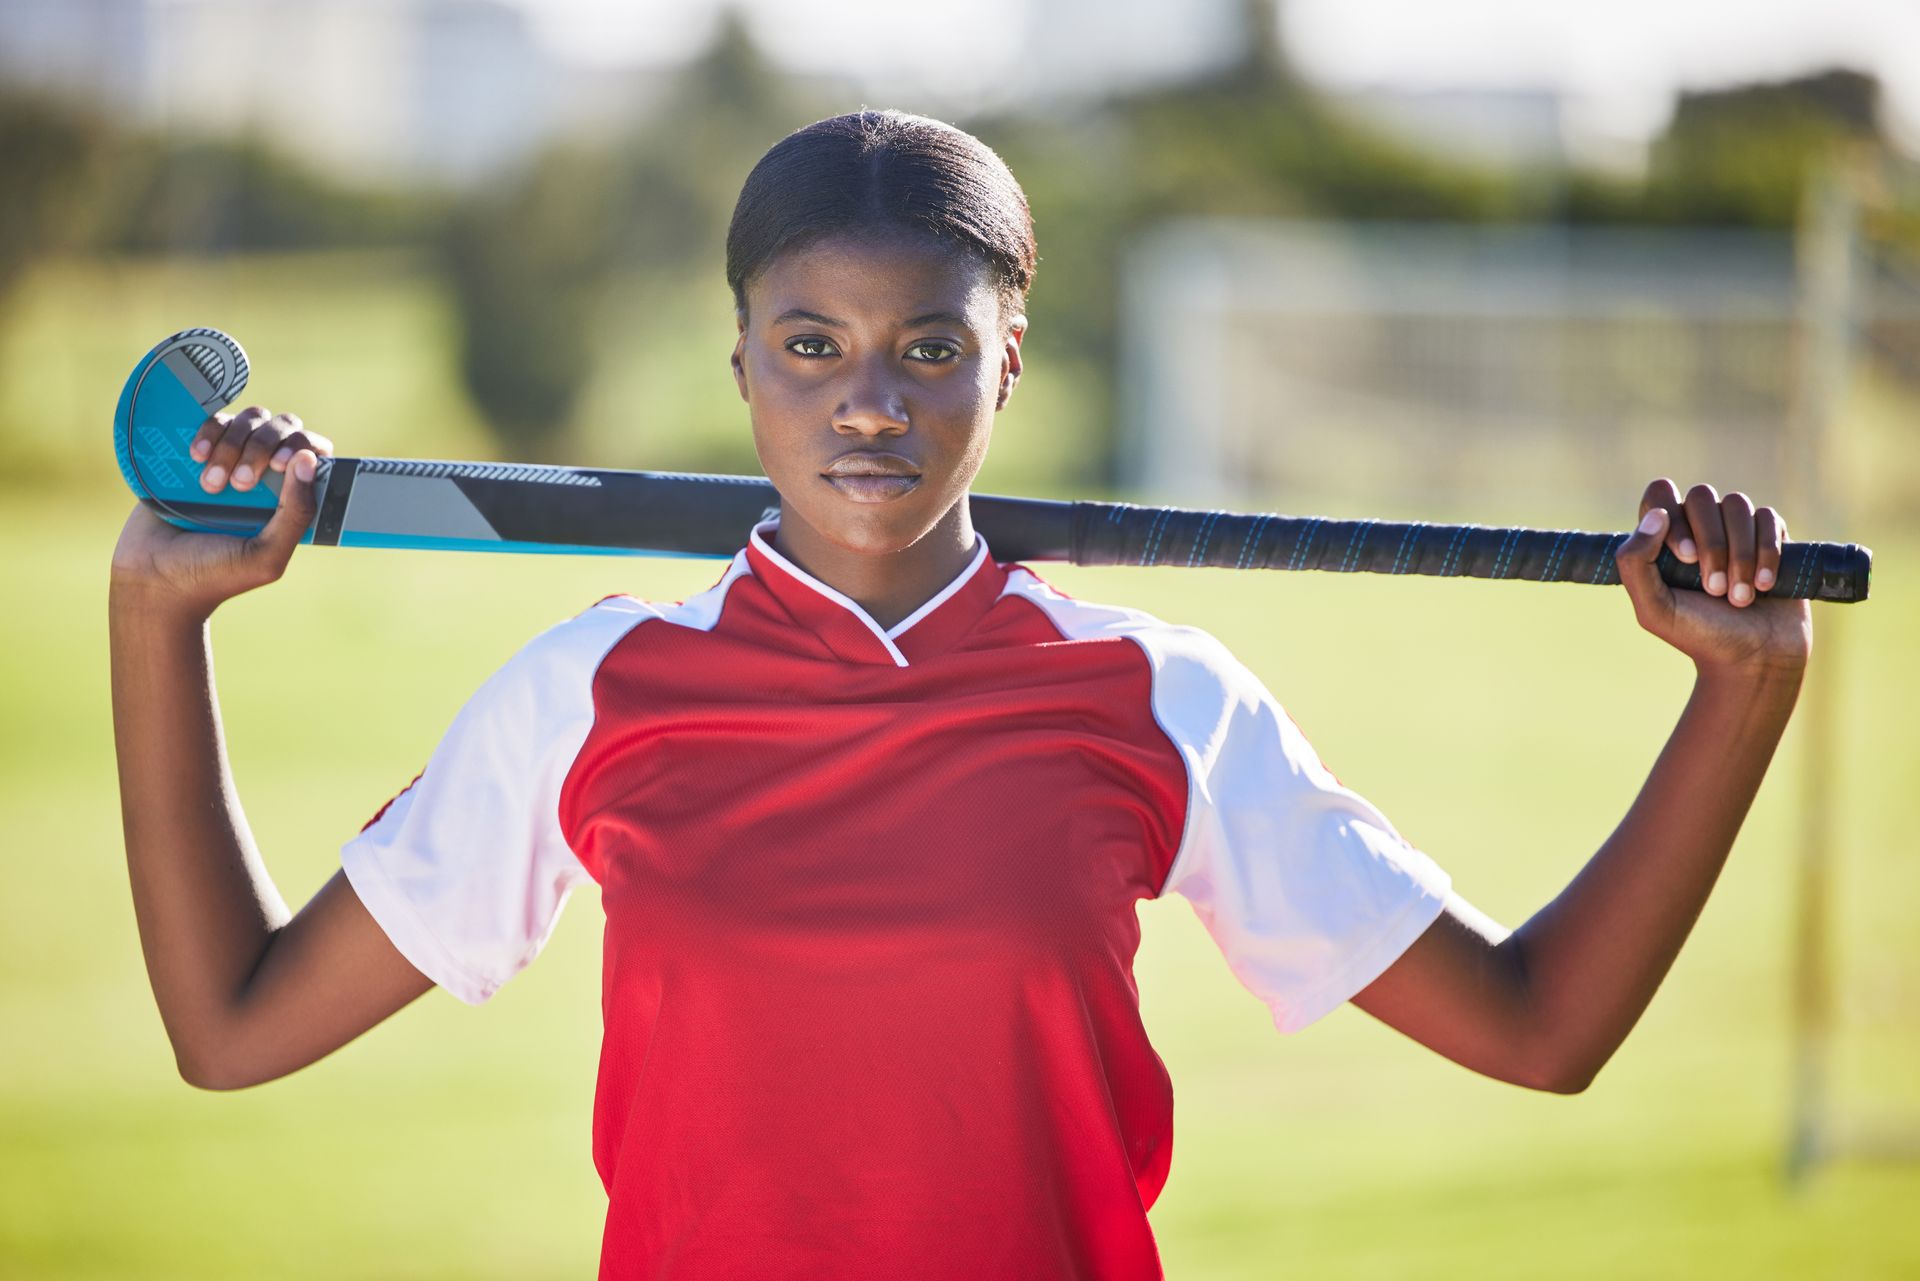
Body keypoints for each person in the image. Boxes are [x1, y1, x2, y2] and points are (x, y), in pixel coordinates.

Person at [108, 110, 1812, 1280]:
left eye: (929, 348)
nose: (870, 404)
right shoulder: (595, 690)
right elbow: (236, 1024)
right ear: (742, 360)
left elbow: (1538, 1026)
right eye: (810, 345)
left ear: (1006, 362)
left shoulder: (1154, 697)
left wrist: (1740, 693)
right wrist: (155, 617)